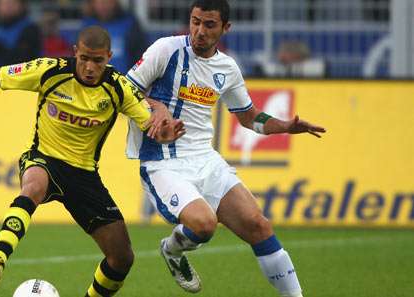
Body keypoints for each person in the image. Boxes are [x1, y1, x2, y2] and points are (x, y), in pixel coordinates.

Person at [0, 25, 184, 296]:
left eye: (98, 60)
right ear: (75, 53)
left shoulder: (118, 88)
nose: (90, 67)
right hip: (43, 157)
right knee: (33, 187)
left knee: (122, 258)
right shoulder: (50, 70)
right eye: (84, 58)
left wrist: (167, 133)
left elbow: (152, 128)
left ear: (109, 56)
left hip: (84, 175)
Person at [125, 1, 326, 296]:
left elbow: (248, 116)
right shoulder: (165, 50)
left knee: (259, 225)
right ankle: (172, 250)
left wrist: (285, 126)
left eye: (209, 25)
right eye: (195, 22)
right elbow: (122, 90)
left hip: (205, 159)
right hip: (163, 162)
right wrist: (155, 108)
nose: (199, 31)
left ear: (225, 28)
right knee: (205, 225)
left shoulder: (227, 67)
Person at [80, 0, 147, 73]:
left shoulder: (129, 23)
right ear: (92, 3)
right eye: (99, 2)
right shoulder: (87, 25)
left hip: (123, 80)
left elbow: (141, 56)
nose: (103, 6)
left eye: (107, 2)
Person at [0, 0, 42, 67]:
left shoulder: (30, 28)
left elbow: (22, 58)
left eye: (12, 3)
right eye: (5, 4)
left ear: (21, 5)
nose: (8, 7)